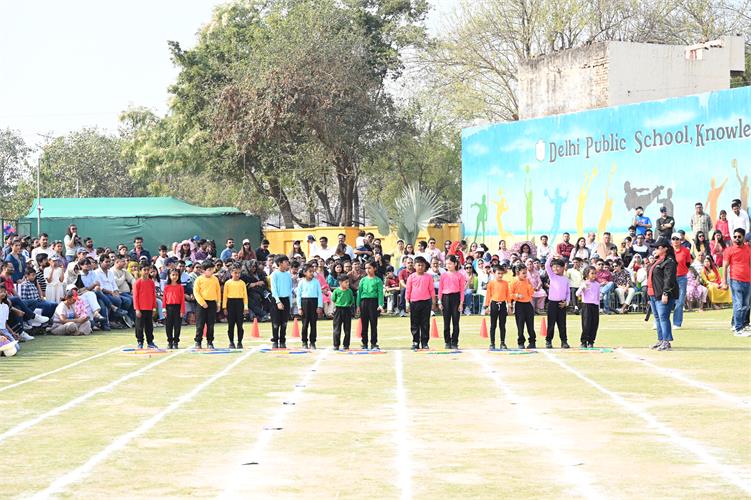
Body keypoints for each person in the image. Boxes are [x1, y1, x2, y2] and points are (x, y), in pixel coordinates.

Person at [647, 239, 679, 350]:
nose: (655, 249)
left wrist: (665, 292)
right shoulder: (658, 260)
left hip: (662, 293)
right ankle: (661, 340)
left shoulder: (669, 261)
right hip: (653, 293)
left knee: (663, 317)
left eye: (658, 247)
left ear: (665, 248)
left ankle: (666, 341)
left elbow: (669, 279)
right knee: (657, 318)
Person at [722, 228, 751, 335]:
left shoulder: (748, 249)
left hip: (748, 280)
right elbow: (725, 267)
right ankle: (738, 329)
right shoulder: (729, 250)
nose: (736, 239)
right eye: (735, 237)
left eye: (739, 237)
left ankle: (739, 325)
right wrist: (724, 282)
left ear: (743, 237)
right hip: (735, 280)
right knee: (738, 305)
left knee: (746, 306)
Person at [405, 256, 436, 350]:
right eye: (419, 265)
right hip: (414, 302)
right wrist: (407, 302)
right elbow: (408, 290)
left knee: (425, 323)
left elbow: (431, 290)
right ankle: (415, 341)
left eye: (422, 265)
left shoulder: (429, 277)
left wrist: (433, 302)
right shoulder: (411, 277)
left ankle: (425, 342)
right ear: (414, 266)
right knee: (414, 323)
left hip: (426, 302)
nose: (421, 267)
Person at [438, 255, 466, 350]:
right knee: (446, 322)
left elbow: (462, 290)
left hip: (456, 298)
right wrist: (439, 301)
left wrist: (461, 303)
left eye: (450, 263)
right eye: (446, 264)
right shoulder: (443, 275)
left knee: (455, 322)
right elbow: (440, 289)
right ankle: (447, 342)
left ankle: (454, 342)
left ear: (455, 264)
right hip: (445, 298)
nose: (448, 265)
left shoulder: (460, 275)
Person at [356, 261, 384, 350]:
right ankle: (364, 343)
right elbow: (359, 293)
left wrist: (380, 304)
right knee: (364, 323)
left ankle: (373, 343)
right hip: (364, 302)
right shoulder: (363, 280)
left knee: (373, 323)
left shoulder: (378, 280)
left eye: (369, 268)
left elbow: (380, 293)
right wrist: (358, 305)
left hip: (373, 302)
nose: (367, 270)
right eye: (366, 268)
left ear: (374, 268)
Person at [193, 261, 221, 349]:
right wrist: (202, 303)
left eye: (212, 269)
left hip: (212, 303)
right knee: (200, 324)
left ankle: (210, 342)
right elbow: (196, 292)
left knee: (211, 324)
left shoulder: (215, 279)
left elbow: (218, 291)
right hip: (201, 304)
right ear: (203, 271)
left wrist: (218, 303)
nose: (212, 271)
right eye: (209, 270)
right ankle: (198, 341)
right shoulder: (199, 279)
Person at [545, 256, 570, 349]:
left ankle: (564, 341)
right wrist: (552, 257)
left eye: (558, 266)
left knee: (562, 324)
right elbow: (547, 265)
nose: (555, 268)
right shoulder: (552, 276)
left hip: (561, 304)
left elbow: (568, 293)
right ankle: (548, 341)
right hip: (552, 303)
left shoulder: (565, 279)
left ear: (563, 267)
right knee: (551, 323)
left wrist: (566, 302)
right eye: (554, 267)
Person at [484, 264, 510, 350]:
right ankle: (492, 343)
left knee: (502, 325)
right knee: (493, 325)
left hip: (503, 304)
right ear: (494, 273)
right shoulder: (491, 283)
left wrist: (509, 305)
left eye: (502, 273)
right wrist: (486, 306)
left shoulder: (505, 283)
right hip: (494, 304)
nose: (500, 275)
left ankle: (502, 342)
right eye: (498, 273)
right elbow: (488, 295)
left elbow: (508, 294)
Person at [297, 263, 323, 349]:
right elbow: (298, 296)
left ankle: (312, 342)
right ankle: (304, 342)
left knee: (313, 324)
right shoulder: (301, 282)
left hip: (314, 302)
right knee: (305, 324)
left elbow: (319, 294)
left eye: (313, 271)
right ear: (305, 272)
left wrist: (319, 306)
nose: (312, 273)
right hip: (305, 303)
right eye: (310, 271)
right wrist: (299, 307)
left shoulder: (316, 282)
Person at [270, 255, 293, 349]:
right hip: (276, 300)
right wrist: (278, 301)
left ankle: (283, 340)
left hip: (286, 299)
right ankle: (275, 340)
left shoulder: (288, 274)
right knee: (276, 322)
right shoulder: (274, 274)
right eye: (285, 262)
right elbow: (274, 289)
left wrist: (290, 303)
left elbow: (290, 289)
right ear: (280, 263)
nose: (287, 263)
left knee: (284, 322)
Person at [223, 265, 249, 349]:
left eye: (239, 273)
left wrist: (245, 307)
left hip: (240, 303)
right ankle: (231, 342)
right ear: (231, 273)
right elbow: (225, 296)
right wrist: (224, 307)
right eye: (235, 273)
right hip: (230, 303)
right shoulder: (227, 283)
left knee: (240, 325)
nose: (237, 275)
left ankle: (239, 342)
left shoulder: (242, 283)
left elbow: (245, 296)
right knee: (231, 325)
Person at [133, 264, 158, 349]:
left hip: (149, 308)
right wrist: (137, 309)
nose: (146, 272)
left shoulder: (151, 282)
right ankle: (140, 341)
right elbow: (135, 297)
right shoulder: (137, 283)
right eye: (144, 270)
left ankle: (150, 342)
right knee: (139, 326)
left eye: (148, 270)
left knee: (149, 326)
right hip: (140, 308)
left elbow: (153, 295)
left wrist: (154, 307)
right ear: (140, 271)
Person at [510, 266, 535, 349]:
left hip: (528, 305)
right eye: (523, 273)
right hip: (519, 305)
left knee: (530, 325)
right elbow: (509, 294)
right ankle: (521, 342)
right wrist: (516, 296)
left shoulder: (528, 281)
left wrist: (529, 286)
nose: (525, 275)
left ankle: (532, 342)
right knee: (520, 325)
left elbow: (531, 293)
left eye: (526, 273)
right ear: (517, 273)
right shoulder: (513, 282)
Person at [576, 266, 601, 348]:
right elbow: (577, 294)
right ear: (587, 275)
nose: (594, 275)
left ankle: (591, 341)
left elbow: (598, 296)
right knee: (586, 324)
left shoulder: (597, 284)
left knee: (594, 324)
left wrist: (599, 306)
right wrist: (582, 288)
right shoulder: (584, 283)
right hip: (586, 305)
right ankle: (583, 341)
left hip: (595, 306)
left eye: (595, 273)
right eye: (592, 273)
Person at [671, 233, 692, 329]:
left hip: (681, 278)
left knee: (680, 301)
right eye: (673, 239)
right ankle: (660, 321)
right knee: (666, 301)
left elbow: (688, 263)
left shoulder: (686, 251)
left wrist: (683, 271)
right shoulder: (668, 250)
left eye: (677, 239)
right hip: (670, 278)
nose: (675, 241)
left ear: (680, 240)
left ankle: (677, 323)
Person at [163, 268, 185, 349]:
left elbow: (182, 299)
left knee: (177, 325)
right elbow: (164, 299)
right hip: (169, 308)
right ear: (169, 276)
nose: (175, 276)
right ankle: (170, 341)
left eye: (176, 275)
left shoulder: (180, 287)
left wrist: (182, 310)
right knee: (168, 326)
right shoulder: (166, 287)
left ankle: (176, 342)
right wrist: (164, 309)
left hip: (177, 308)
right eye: (173, 275)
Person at [331, 275, 354, 350]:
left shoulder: (349, 291)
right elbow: (333, 299)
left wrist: (348, 305)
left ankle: (346, 345)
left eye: (348, 282)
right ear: (340, 283)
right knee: (337, 328)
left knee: (347, 329)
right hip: (338, 310)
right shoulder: (336, 291)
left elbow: (351, 301)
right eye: (346, 282)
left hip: (347, 310)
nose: (348, 284)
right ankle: (336, 345)